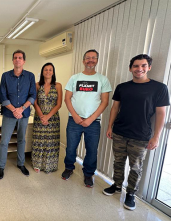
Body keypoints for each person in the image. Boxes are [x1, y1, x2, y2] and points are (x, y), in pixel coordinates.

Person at [103, 54, 169, 210]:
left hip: (140, 136)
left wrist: (156, 137)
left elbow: (161, 114)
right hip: (119, 132)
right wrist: (110, 126)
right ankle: (117, 185)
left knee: (135, 167)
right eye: (136, 66)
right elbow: (115, 108)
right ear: (130, 68)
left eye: (143, 66)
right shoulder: (122, 87)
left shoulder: (159, 88)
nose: (139, 69)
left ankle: (131, 193)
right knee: (118, 162)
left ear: (149, 67)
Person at [62, 49, 112, 188]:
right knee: (71, 147)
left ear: (97, 60)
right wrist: (76, 116)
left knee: (91, 150)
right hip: (74, 120)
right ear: (83, 61)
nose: (90, 60)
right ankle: (69, 168)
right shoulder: (74, 78)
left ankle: (89, 174)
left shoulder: (103, 79)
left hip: (93, 122)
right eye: (88, 58)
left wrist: (90, 119)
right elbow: (67, 98)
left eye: (93, 58)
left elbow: (105, 102)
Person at [0, 49, 36, 179]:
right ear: (12, 60)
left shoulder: (30, 76)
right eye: (15, 57)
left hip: (24, 115)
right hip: (9, 114)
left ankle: (21, 164)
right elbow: (2, 95)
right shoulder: (5, 76)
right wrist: (14, 109)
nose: (17, 59)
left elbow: (32, 95)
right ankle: (1, 167)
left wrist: (21, 109)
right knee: (4, 141)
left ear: (24, 61)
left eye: (20, 57)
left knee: (21, 140)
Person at [32, 62, 62, 173]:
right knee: (39, 140)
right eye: (46, 70)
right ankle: (37, 163)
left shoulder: (58, 85)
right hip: (39, 117)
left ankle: (50, 165)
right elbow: (35, 102)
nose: (48, 72)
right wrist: (41, 116)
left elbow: (59, 104)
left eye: (50, 70)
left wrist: (48, 117)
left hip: (53, 118)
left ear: (53, 72)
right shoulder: (37, 85)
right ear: (42, 72)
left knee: (51, 141)